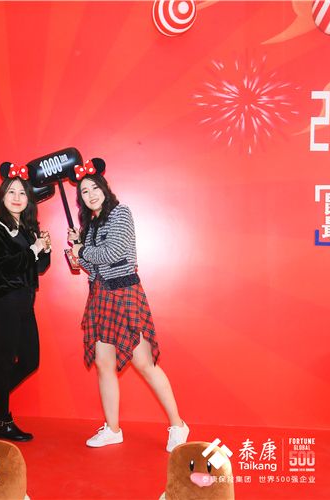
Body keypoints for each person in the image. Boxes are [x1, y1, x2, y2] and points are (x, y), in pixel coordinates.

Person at [68, 171, 189, 452]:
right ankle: (112, 429)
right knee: (103, 364)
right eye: (84, 191)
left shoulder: (120, 213)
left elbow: (114, 252)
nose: (91, 195)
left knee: (145, 363)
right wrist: (77, 252)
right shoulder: (90, 225)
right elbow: (92, 266)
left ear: (104, 188)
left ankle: (178, 425)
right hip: (100, 297)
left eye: (94, 188)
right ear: (81, 199)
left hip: (124, 294)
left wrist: (82, 250)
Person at [0, 172, 51, 442]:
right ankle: (2, 421)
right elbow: (5, 266)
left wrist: (45, 248)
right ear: (2, 197)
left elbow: (39, 268)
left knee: (30, 361)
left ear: (29, 198)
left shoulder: (28, 229)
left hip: (25, 303)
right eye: (11, 192)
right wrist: (34, 249)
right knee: (4, 363)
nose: (17, 198)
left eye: (22, 193)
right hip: (5, 303)